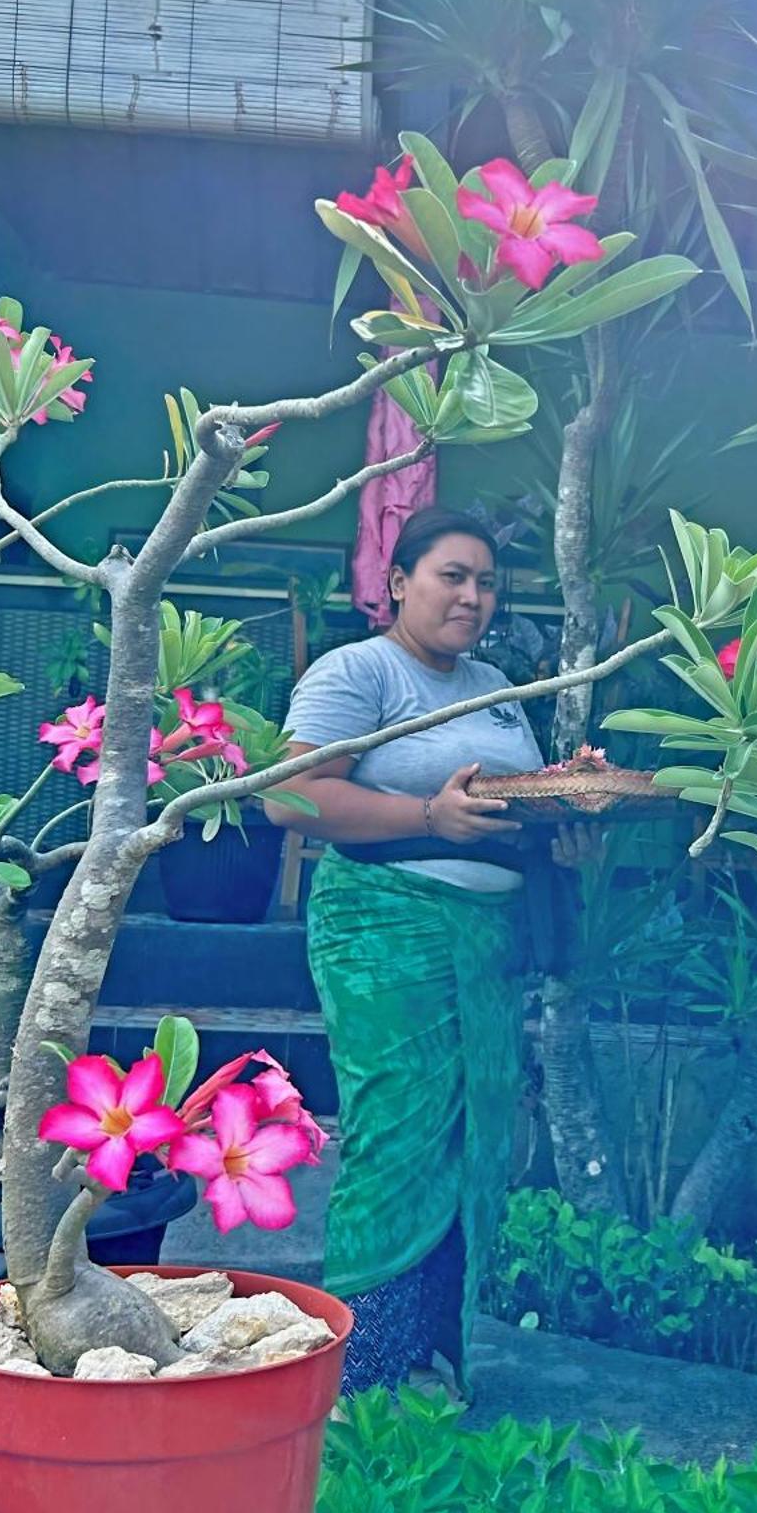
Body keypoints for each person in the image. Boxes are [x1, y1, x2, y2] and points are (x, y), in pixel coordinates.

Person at [267, 506, 558, 1401]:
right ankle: (359, 1370)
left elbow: (512, 802)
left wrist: (564, 805)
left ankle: (435, 1349)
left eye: (486, 582)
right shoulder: (361, 670)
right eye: (452, 576)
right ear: (398, 581)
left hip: (486, 941)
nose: (472, 597)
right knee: (399, 1133)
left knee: (474, 1137)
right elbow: (290, 797)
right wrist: (428, 816)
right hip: (386, 929)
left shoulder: (496, 686)